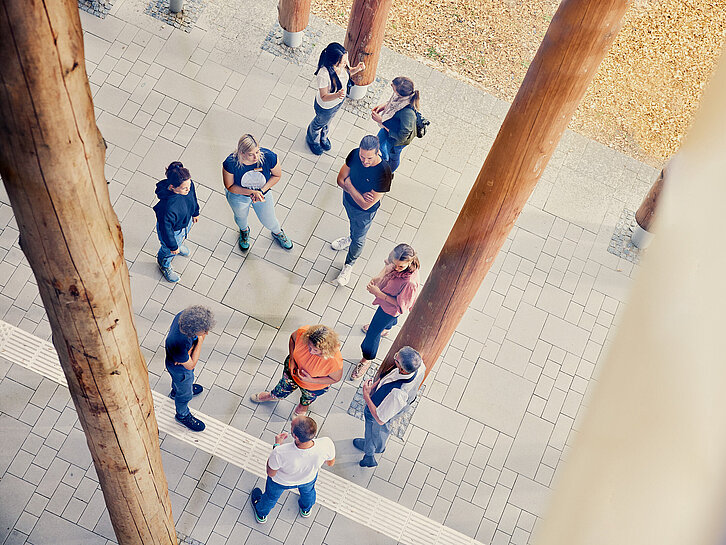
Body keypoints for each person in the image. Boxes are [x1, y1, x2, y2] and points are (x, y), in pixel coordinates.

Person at [350, 244, 421, 380]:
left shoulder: (410, 283)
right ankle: (386, 329)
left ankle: (366, 360)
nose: (396, 268)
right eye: (395, 264)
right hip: (387, 301)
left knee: (372, 335)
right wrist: (379, 276)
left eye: (400, 266)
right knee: (382, 324)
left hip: (389, 308)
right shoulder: (396, 259)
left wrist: (379, 293)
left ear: (410, 262)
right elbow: (388, 265)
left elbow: (402, 306)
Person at [330, 135, 393, 287]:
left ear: (378, 152)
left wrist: (350, 185)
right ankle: (350, 238)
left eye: (369, 158)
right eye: (362, 156)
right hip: (348, 202)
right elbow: (339, 179)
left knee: (359, 238)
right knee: (353, 227)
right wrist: (357, 194)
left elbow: (366, 205)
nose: (365, 161)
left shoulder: (384, 173)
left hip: (364, 214)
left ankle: (349, 265)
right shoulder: (354, 154)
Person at [250, 416, 335, 523]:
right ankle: (306, 509)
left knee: (270, 497)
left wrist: (277, 445)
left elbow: (271, 473)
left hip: (280, 482)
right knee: (308, 493)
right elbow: (330, 463)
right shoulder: (326, 443)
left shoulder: (280, 452)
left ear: (295, 436)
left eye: (291, 425)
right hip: (308, 479)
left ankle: (261, 514)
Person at [354, 346, 424, 467]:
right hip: (401, 405)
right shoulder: (420, 366)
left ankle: (369, 455)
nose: (395, 356)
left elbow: (380, 419)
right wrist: (375, 386)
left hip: (380, 408)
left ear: (402, 369)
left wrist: (366, 395)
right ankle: (380, 447)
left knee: (372, 429)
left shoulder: (398, 394)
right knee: (383, 428)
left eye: (396, 358)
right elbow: (388, 377)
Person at [250, 325, 343, 416]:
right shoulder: (303, 333)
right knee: (282, 386)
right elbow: (292, 339)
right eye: (309, 346)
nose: (310, 351)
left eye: (315, 350)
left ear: (325, 350)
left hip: (312, 386)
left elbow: (335, 379)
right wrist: (292, 360)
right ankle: (274, 396)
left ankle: (303, 405)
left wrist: (311, 380)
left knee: (308, 397)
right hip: (291, 373)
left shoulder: (334, 360)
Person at [222, 134, 293, 252]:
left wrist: (260, 191)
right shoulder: (230, 163)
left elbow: (277, 175)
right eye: (251, 154)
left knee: (269, 219)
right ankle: (244, 231)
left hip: (262, 193)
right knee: (241, 217)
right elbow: (229, 186)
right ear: (242, 153)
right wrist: (251, 192)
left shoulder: (269, 157)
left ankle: (277, 232)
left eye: (257, 152)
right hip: (239, 195)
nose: (256, 157)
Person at [306, 42, 365, 155]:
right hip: (325, 107)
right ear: (334, 61)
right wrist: (337, 95)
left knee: (328, 121)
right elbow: (324, 97)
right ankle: (312, 139)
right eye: (342, 62)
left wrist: (357, 69)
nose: (345, 63)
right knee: (318, 123)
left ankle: (323, 137)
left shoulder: (342, 64)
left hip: (337, 102)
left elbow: (348, 72)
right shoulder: (323, 74)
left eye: (345, 60)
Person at [165, 305, 216, 432]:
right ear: (192, 331)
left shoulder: (183, 316)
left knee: (179, 384)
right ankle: (182, 415)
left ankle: (175, 392)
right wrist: (199, 342)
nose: (206, 333)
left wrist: (190, 351)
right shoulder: (179, 343)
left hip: (179, 362)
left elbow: (189, 357)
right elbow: (191, 364)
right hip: (180, 370)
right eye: (204, 331)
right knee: (185, 394)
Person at [153, 161, 200, 283]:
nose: (188, 189)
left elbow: (193, 197)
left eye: (189, 185)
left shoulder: (188, 186)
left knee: (179, 240)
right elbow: (165, 229)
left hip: (185, 222)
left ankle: (178, 245)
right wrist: (172, 245)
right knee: (168, 251)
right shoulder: (167, 208)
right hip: (173, 232)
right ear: (172, 187)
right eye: (184, 188)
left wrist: (195, 212)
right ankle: (164, 264)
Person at [371, 77, 420, 172]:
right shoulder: (401, 97)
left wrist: (381, 121)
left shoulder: (408, 113)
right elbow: (393, 104)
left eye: (393, 88)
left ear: (400, 93)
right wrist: (383, 106)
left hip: (396, 139)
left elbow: (402, 137)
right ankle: (384, 159)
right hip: (388, 126)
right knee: (378, 144)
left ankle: (389, 171)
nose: (391, 87)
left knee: (393, 156)